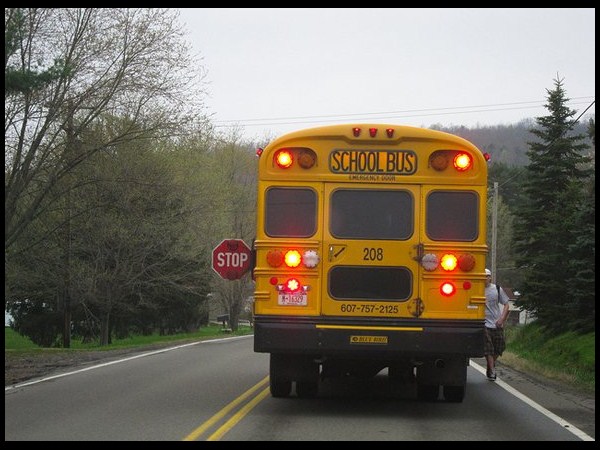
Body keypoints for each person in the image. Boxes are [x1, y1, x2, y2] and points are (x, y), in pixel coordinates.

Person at [484, 268, 510, 381]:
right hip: (484, 324)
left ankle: (490, 365)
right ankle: (493, 371)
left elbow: (506, 305)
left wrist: (502, 319)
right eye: (483, 276)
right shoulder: (477, 289)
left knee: (499, 347)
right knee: (488, 347)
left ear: (490, 277)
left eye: (487, 276)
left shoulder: (497, 289)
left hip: (496, 323)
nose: (485, 278)